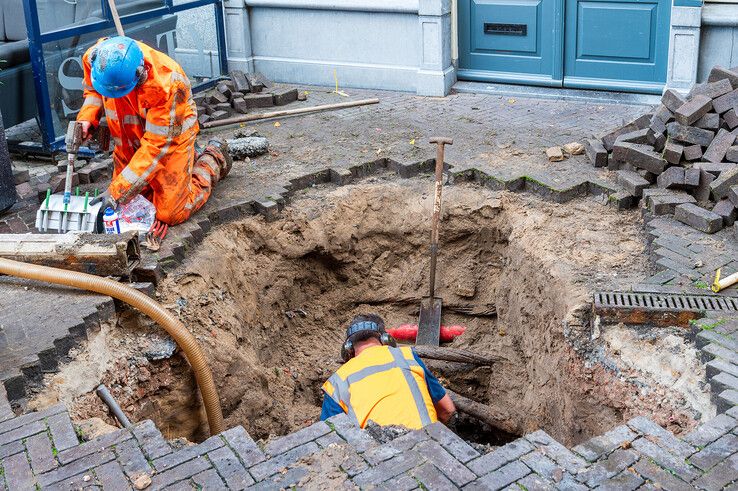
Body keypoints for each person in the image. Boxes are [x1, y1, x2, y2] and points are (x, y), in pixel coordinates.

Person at [79, 36, 232, 242]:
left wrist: (116, 191)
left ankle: (213, 157)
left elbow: (156, 147)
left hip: (170, 135)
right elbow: (93, 89)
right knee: (132, 202)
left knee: (169, 213)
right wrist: (88, 116)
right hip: (128, 135)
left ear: (140, 76)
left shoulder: (167, 84)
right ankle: (185, 165)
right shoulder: (95, 57)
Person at [321, 314, 457, 429]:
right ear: (386, 339)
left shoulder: (337, 382)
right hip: (431, 446)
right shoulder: (406, 357)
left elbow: (329, 440)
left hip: (381, 457)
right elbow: (447, 411)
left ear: (348, 349)